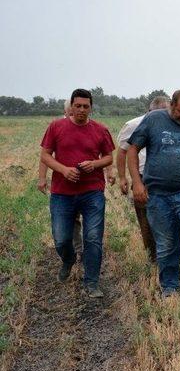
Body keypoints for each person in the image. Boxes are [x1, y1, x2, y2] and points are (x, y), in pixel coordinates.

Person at [127, 89, 180, 310]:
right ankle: (170, 287)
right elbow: (132, 150)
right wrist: (137, 183)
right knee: (167, 245)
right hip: (158, 194)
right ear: (171, 105)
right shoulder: (154, 119)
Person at [40, 89, 115, 298]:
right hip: (62, 193)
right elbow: (45, 155)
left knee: (92, 238)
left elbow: (109, 157)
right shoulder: (56, 127)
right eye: (78, 106)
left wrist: (94, 164)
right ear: (71, 107)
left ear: (91, 107)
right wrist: (63, 170)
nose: (82, 110)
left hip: (92, 192)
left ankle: (92, 283)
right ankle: (68, 259)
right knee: (61, 239)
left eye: (86, 106)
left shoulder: (100, 130)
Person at [115, 95, 170, 262]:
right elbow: (123, 151)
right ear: (149, 111)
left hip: (167, 178)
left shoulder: (173, 124)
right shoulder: (133, 125)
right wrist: (123, 177)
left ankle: (167, 253)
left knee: (168, 218)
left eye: (164, 113)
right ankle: (153, 256)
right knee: (146, 219)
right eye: (156, 113)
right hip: (142, 177)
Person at [38, 99, 83, 255]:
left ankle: (80, 250)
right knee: (67, 222)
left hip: (84, 185)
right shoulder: (56, 128)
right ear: (65, 112)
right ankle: (73, 251)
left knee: (76, 220)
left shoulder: (85, 127)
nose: (74, 116)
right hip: (63, 185)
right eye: (70, 113)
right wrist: (42, 178)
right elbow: (45, 155)